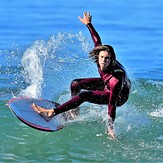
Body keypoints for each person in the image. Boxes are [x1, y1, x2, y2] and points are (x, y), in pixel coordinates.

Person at [32, 12, 131, 139]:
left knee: (84, 95)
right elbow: (97, 40)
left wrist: (110, 127)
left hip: (119, 96)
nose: (103, 61)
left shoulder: (116, 79)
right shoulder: (99, 56)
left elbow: (112, 104)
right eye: (101, 57)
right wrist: (88, 24)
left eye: (107, 59)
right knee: (76, 84)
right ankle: (74, 111)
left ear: (111, 60)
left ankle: (52, 113)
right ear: (98, 55)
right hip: (106, 84)